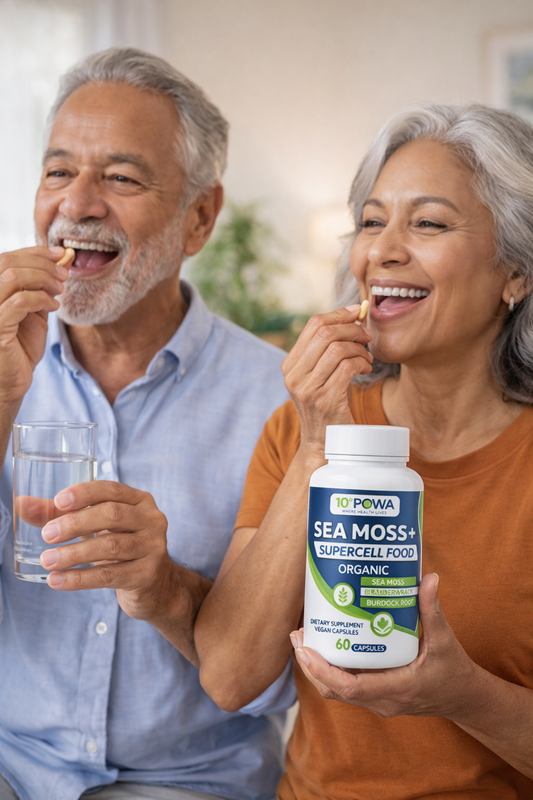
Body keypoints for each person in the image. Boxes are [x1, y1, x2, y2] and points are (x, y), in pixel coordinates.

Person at [195, 104, 533, 799]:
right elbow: (230, 677)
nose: (381, 250)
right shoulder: (298, 431)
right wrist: (318, 449)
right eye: (372, 220)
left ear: (516, 274)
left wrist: (462, 693)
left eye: (428, 223)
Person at [0, 48, 294, 800]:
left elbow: (278, 683)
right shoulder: (2, 359)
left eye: (121, 178)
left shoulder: (282, 402)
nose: (78, 204)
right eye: (59, 171)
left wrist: (163, 587)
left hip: (193, 781)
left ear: (200, 217)